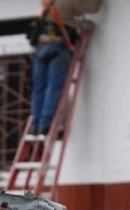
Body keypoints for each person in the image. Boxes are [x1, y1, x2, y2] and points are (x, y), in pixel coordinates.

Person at [24, 0, 80, 142]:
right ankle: (45, 125)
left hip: (40, 49)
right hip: (58, 47)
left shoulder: (45, 4)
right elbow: (94, 7)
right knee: (54, 86)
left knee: (38, 88)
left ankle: (35, 126)